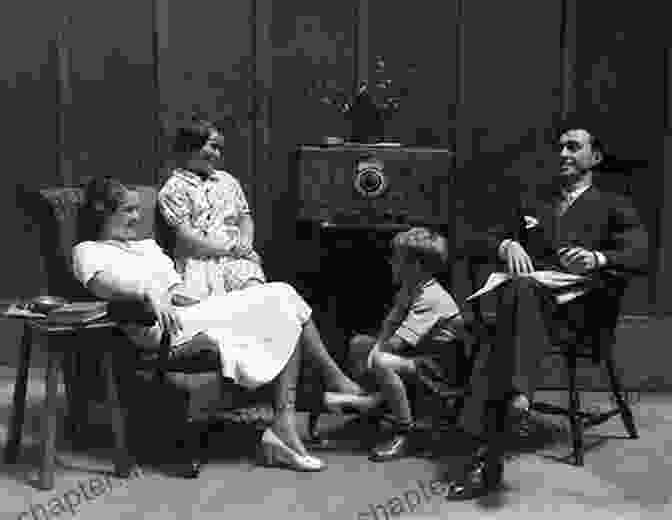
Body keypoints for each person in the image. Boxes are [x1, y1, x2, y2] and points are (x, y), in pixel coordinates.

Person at [72, 177, 364, 472]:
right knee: (283, 299)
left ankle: (286, 422)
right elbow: (103, 287)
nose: (136, 217)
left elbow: (178, 293)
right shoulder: (88, 251)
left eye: (137, 210)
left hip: (189, 313)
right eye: (128, 210)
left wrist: (222, 303)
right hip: (157, 329)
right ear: (102, 211)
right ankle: (313, 402)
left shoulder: (147, 246)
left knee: (282, 296)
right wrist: (147, 294)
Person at [447, 127, 649, 497]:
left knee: (500, 326)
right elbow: (475, 237)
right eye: (560, 148)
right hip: (528, 315)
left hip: (581, 315)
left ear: (596, 158)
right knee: (510, 306)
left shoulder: (615, 204)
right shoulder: (537, 203)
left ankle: (490, 429)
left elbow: (639, 254)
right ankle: (506, 419)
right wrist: (506, 243)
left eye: (574, 147)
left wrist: (597, 258)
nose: (564, 154)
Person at [344, 227, 464, 461]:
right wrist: (374, 349)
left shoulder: (430, 298)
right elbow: (390, 326)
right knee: (360, 344)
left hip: (441, 367)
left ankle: (404, 431)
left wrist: (376, 355)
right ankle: (374, 410)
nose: (391, 263)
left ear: (416, 266)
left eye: (397, 259)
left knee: (382, 361)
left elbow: (397, 343)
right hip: (419, 356)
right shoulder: (411, 288)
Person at [157, 118, 265, 299]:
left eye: (220, 149)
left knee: (256, 294)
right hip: (197, 263)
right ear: (190, 146)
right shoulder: (173, 188)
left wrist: (246, 244)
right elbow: (186, 236)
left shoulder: (228, 182)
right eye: (213, 147)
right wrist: (229, 248)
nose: (217, 154)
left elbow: (244, 217)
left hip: (235, 260)